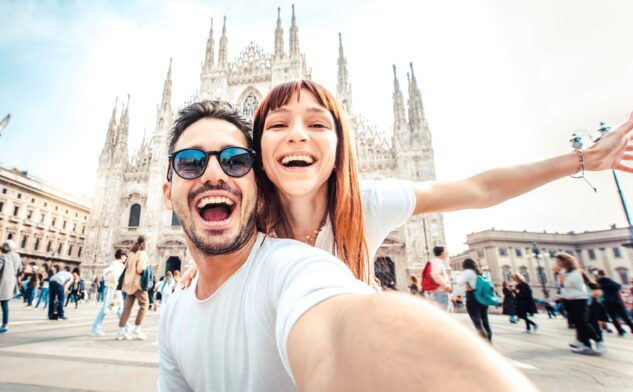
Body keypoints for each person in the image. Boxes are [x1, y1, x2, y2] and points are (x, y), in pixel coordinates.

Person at [158, 100, 535, 391]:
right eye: (190, 163)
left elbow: (341, 327)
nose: (213, 172)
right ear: (166, 192)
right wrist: (209, 265)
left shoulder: (304, 256)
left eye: (236, 162)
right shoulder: (176, 311)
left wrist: (577, 160)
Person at [180, 80, 633, 289]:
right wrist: (204, 266)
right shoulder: (247, 221)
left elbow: (480, 189)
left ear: (343, 146)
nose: (298, 134)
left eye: (318, 124)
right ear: (257, 150)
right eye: (278, 124)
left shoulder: (367, 204)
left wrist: (579, 159)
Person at [554, 253, 602, 355]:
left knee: (582, 322)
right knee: (578, 323)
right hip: (569, 299)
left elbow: (566, 284)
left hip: (579, 299)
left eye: (558, 262)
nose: (556, 264)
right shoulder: (564, 272)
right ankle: (585, 344)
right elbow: (561, 286)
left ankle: (597, 339)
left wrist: (559, 274)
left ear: (565, 262)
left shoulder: (575, 272)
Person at [116, 236, 150, 341]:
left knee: (127, 309)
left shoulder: (131, 253)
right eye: (148, 244)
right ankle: (137, 330)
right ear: (144, 244)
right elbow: (140, 269)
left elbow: (126, 266)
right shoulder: (142, 254)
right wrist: (149, 268)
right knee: (144, 305)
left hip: (128, 283)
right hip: (137, 284)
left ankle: (121, 332)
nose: (148, 245)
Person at [596, 270, 633, 338]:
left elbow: (597, 291)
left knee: (613, 317)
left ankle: (620, 331)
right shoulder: (610, 281)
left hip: (607, 302)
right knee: (625, 316)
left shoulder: (598, 282)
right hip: (617, 301)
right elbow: (618, 287)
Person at [92, 249, 127, 336]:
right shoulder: (117, 265)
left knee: (118, 309)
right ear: (122, 256)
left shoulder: (117, 264)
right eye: (126, 256)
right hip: (113, 290)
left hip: (113, 289)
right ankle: (96, 328)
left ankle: (125, 327)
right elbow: (111, 274)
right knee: (107, 309)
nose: (126, 258)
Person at [458, 258, 492, 342]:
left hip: (473, 297)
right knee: (485, 322)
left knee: (477, 322)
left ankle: (484, 343)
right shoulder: (479, 272)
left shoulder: (467, 272)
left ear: (465, 265)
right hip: (482, 298)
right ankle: (489, 342)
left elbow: (460, 283)